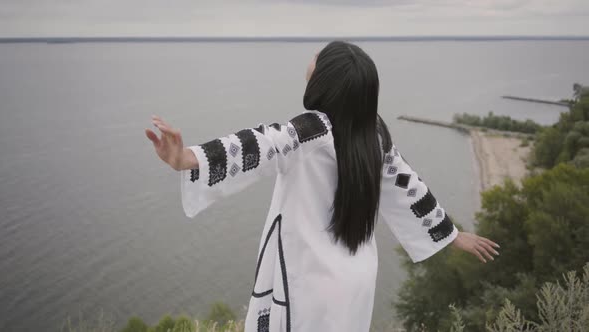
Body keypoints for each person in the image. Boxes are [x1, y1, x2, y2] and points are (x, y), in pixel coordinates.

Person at [145, 41, 500, 332]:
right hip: (354, 280)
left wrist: (187, 159)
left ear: (327, 79)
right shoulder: (372, 132)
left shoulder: (313, 129)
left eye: (318, 56)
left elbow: (261, 144)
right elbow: (408, 186)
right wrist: (451, 234)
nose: (311, 58)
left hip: (310, 281)